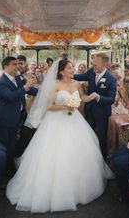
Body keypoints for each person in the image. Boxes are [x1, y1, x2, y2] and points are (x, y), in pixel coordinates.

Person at [6, 59, 113, 213]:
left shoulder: (77, 84)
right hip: (56, 121)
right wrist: (65, 106)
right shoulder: (55, 85)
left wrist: (92, 97)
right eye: (69, 68)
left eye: (72, 67)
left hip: (75, 120)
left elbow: (82, 98)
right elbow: (49, 106)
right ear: (62, 71)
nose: (72, 70)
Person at [0, 57, 38, 177]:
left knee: (13, 145)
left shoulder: (18, 78)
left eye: (17, 64)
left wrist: (44, 92)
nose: (17, 66)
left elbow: (30, 90)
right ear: (5, 67)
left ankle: (11, 169)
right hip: (6, 120)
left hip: (18, 117)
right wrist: (25, 87)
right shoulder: (0, 83)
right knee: (6, 147)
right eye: (14, 64)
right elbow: (11, 97)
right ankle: (4, 173)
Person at [74, 52, 117, 158]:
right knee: (88, 135)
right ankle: (88, 157)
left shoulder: (111, 79)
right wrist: (69, 74)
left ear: (105, 65)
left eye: (95, 64)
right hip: (89, 110)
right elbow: (80, 77)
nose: (93, 66)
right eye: (93, 63)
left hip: (102, 114)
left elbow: (111, 99)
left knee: (101, 138)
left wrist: (98, 97)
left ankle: (101, 159)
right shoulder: (91, 72)